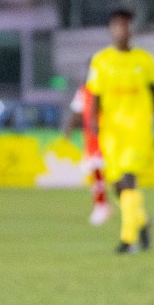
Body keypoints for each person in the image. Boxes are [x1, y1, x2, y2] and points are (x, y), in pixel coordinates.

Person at [86, 9, 154, 253]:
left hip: (137, 129)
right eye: (117, 25)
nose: (122, 30)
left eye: (126, 25)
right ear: (111, 29)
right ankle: (142, 220)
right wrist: (92, 122)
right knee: (118, 186)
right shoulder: (100, 60)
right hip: (112, 132)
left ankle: (128, 239)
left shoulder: (145, 60)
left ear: (132, 29)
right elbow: (94, 94)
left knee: (129, 179)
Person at [61, 82, 110, 225]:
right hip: (92, 139)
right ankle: (101, 205)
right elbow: (78, 111)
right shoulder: (84, 90)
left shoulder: (107, 87)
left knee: (105, 175)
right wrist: (69, 129)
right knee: (97, 173)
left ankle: (104, 206)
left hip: (109, 137)